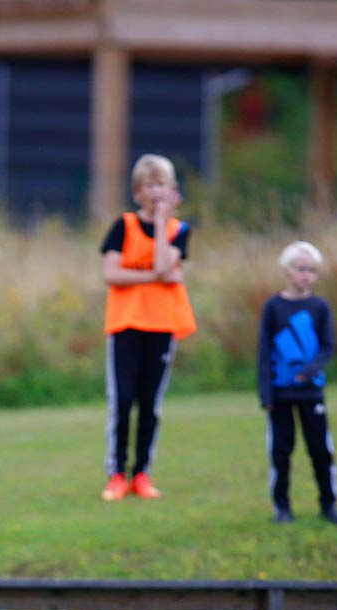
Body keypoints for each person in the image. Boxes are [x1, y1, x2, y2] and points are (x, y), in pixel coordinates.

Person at [99, 153, 197, 502]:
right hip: (125, 325)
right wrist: (154, 277)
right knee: (123, 400)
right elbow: (113, 274)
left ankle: (142, 473)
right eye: (150, 184)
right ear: (138, 191)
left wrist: (161, 223)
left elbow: (163, 261)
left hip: (162, 326)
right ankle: (116, 474)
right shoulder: (122, 226)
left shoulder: (178, 230)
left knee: (150, 404)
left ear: (172, 190)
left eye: (163, 184)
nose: (157, 191)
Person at [258, 241, 337, 525]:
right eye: (301, 269)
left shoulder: (320, 307)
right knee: (281, 451)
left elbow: (327, 347)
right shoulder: (273, 307)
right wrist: (266, 393)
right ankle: (282, 508)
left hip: (312, 394)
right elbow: (263, 352)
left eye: (312, 270)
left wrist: (307, 372)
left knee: (320, 450)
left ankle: (329, 505)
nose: (306, 275)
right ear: (287, 271)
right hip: (280, 396)